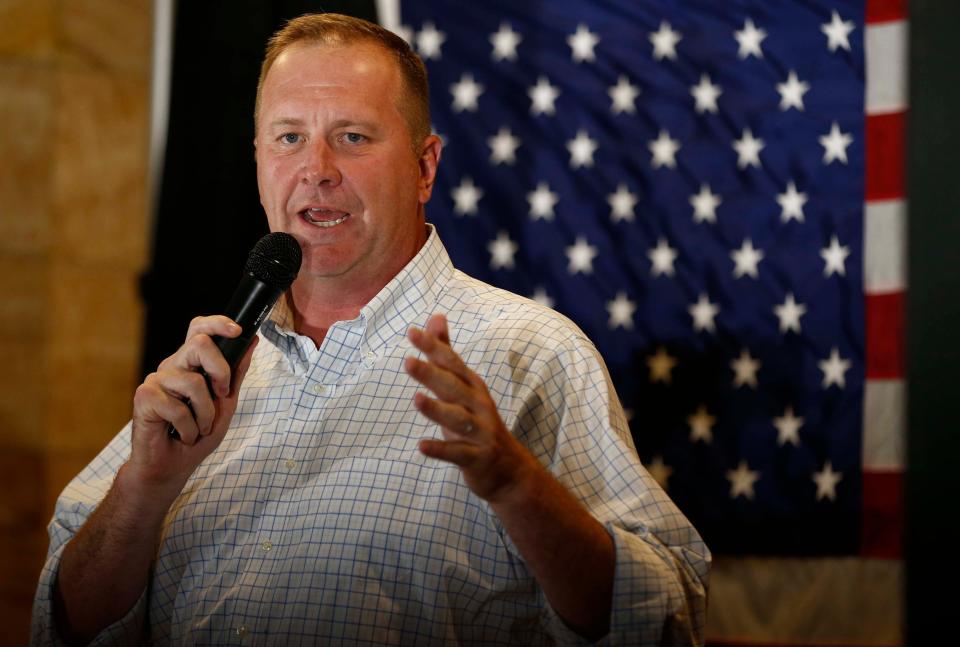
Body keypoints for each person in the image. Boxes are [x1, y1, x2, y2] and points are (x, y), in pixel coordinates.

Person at [32, 13, 709, 646]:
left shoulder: (532, 353)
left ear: (424, 167)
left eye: (352, 137)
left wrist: (515, 486)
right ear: (260, 160)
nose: (316, 170)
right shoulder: (206, 370)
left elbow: (667, 618)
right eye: (289, 137)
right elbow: (62, 622)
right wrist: (144, 487)